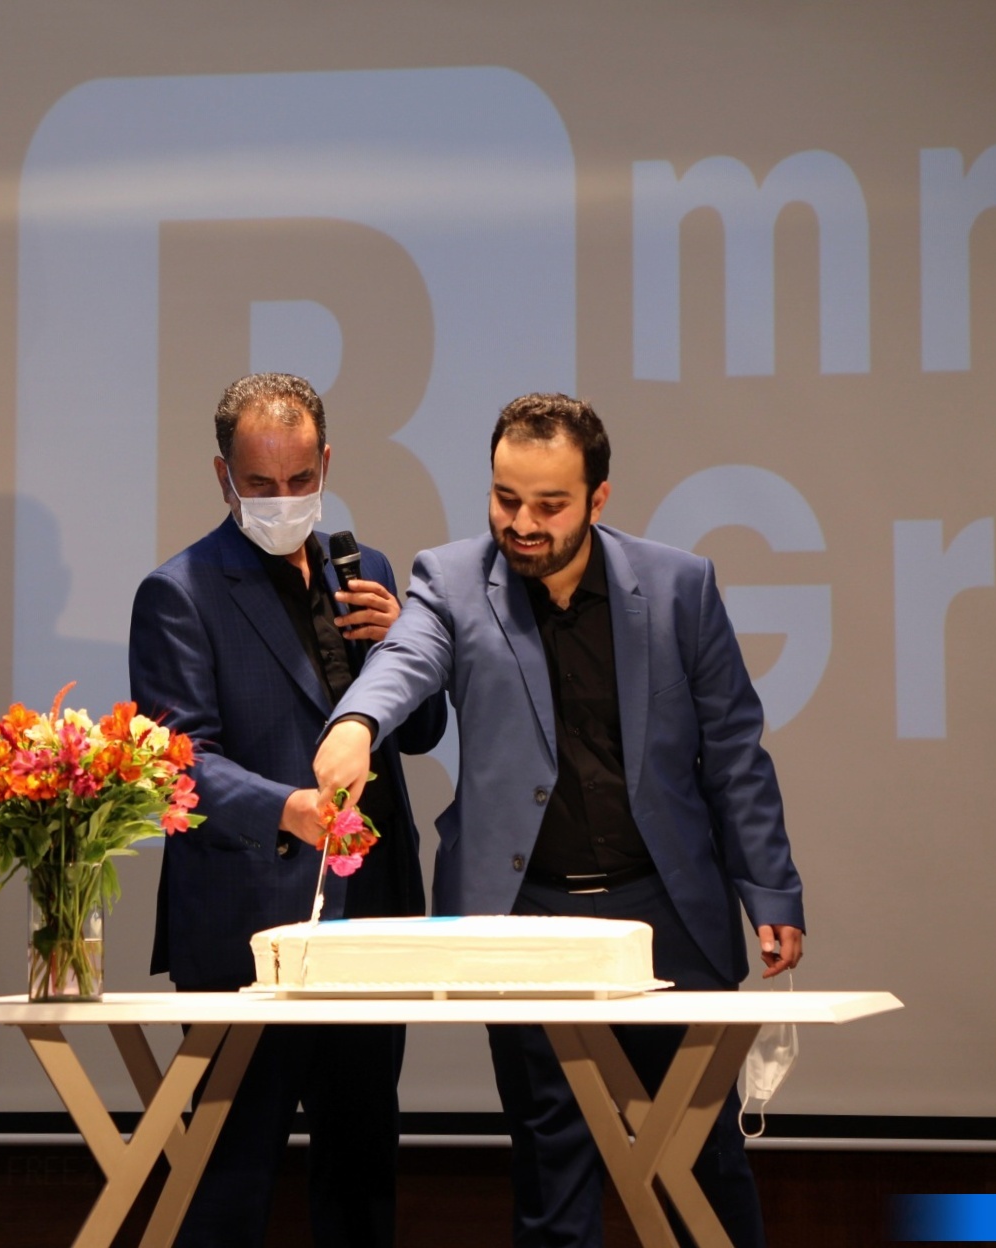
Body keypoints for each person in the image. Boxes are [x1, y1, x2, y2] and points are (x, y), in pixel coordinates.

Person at [312, 394, 804, 1248]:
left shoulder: (678, 587)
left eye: (549, 505)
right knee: (550, 1156)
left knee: (701, 1154)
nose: (522, 524)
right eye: (505, 499)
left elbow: (732, 752)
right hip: (525, 916)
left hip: (664, 908)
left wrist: (769, 889)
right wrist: (356, 722)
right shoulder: (449, 579)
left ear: (597, 499)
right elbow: (406, 656)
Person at [128, 372, 447, 1248]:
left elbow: (419, 735)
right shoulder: (179, 590)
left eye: (300, 479)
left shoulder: (365, 569)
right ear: (223, 477)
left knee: (362, 1158)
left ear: (326, 464)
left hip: (369, 907)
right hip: (247, 918)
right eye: (260, 484)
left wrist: (404, 650)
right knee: (233, 1170)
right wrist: (287, 808)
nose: (283, 499)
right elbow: (177, 761)